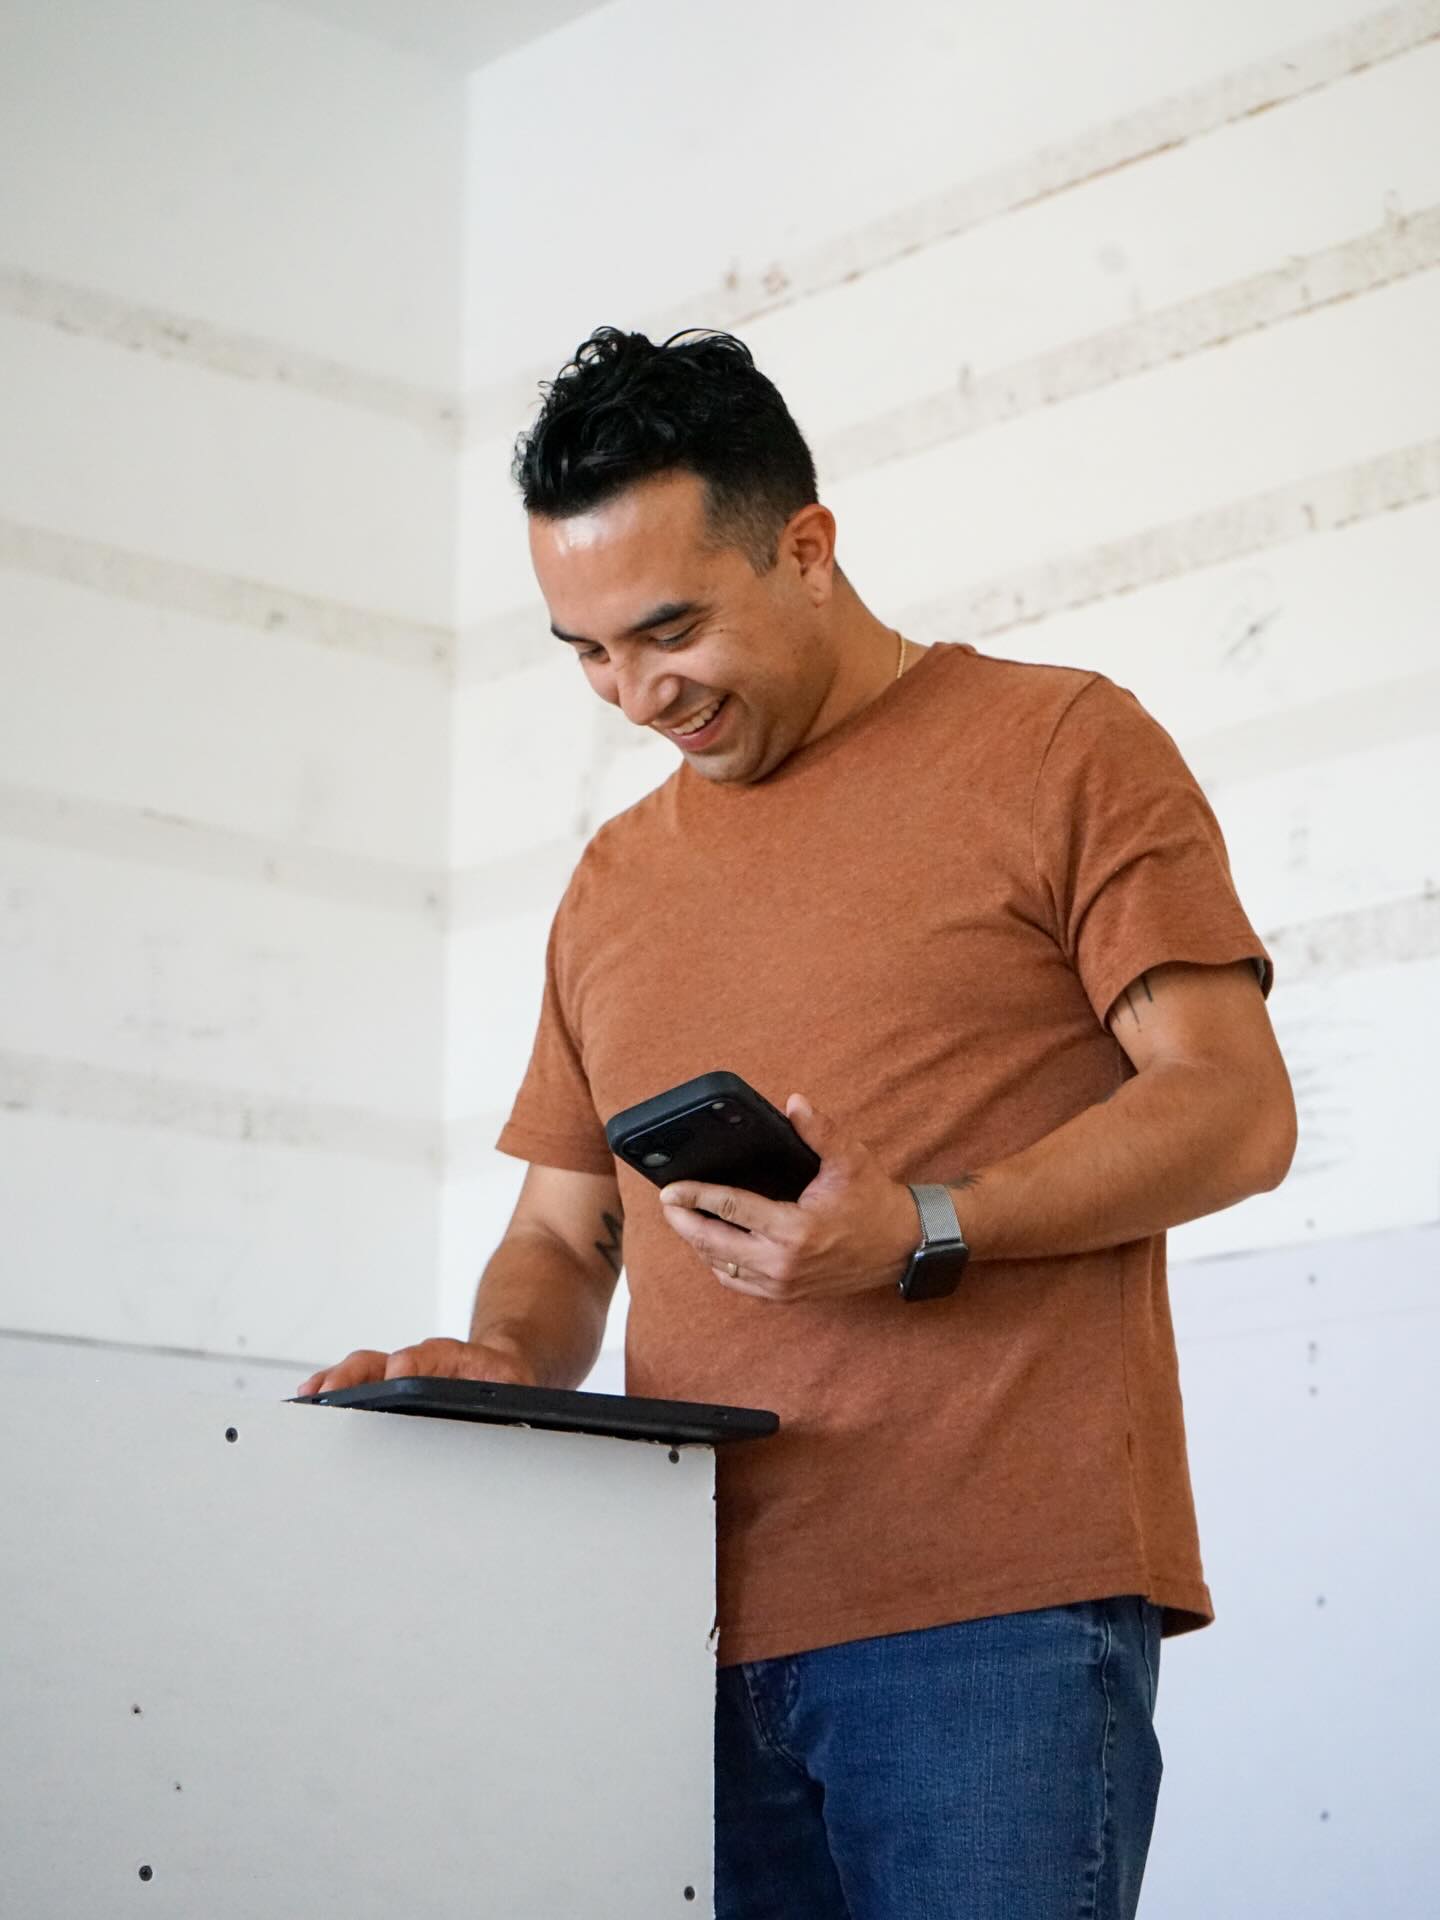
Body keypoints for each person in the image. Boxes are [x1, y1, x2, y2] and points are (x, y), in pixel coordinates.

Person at [299, 327, 1297, 1918]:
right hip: (669, 1621)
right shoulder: (612, 882)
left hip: (994, 1619)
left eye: (671, 627)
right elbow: (566, 1230)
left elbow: (1233, 1109)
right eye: (587, 650)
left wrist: (925, 1227)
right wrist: (505, 1361)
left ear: (808, 549)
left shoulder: (1060, 747)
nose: (636, 692)